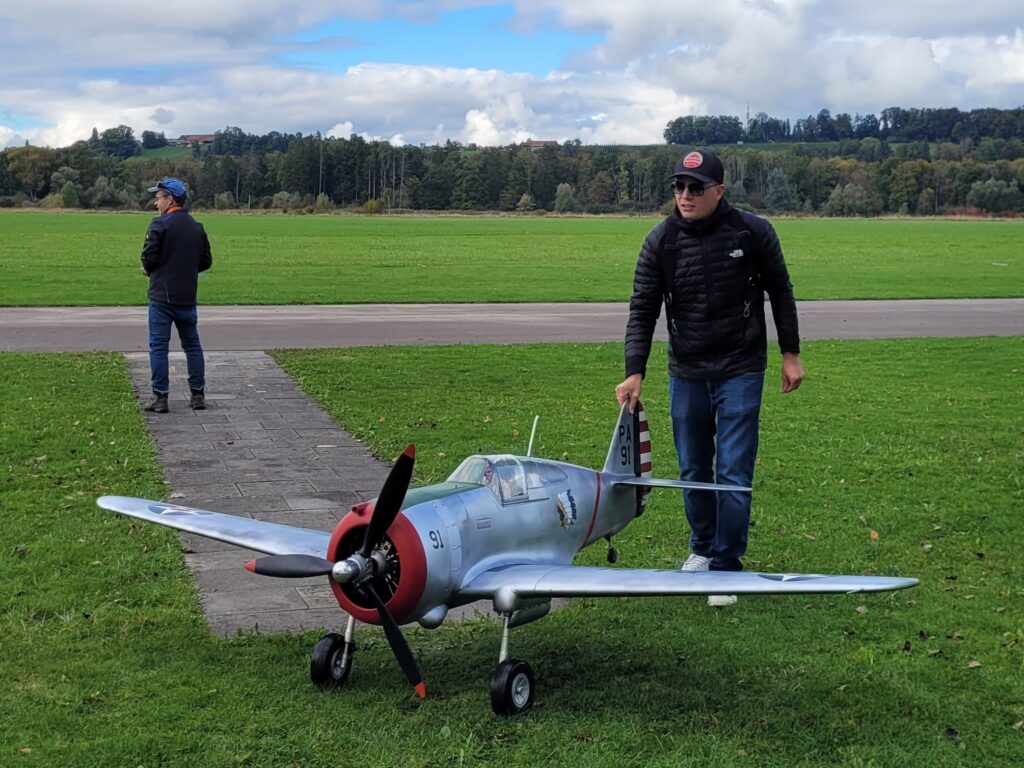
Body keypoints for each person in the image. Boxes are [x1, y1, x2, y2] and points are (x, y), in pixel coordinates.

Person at [614, 148, 804, 607]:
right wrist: (634, 371)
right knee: (694, 467)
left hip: (742, 366)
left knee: (733, 468)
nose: (685, 195)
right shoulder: (660, 241)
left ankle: (726, 565)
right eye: (679, 186)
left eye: (695, 187)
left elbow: (780, 290)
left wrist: (791, 354)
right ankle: (702, 549)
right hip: (687, 370)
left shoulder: (752, 232)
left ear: (719, 190)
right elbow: (643, 308)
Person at [140, 177, 212, 413]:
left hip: (161, 297)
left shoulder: (158, 225)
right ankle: (198, 394)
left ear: (170, 199)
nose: (155, 203)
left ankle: (160, 397)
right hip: (187, 296)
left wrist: (150, 270)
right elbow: (206, 261)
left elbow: (148, 258)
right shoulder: (197, 228)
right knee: (192, 345)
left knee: (158, 347)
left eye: (159, 198)